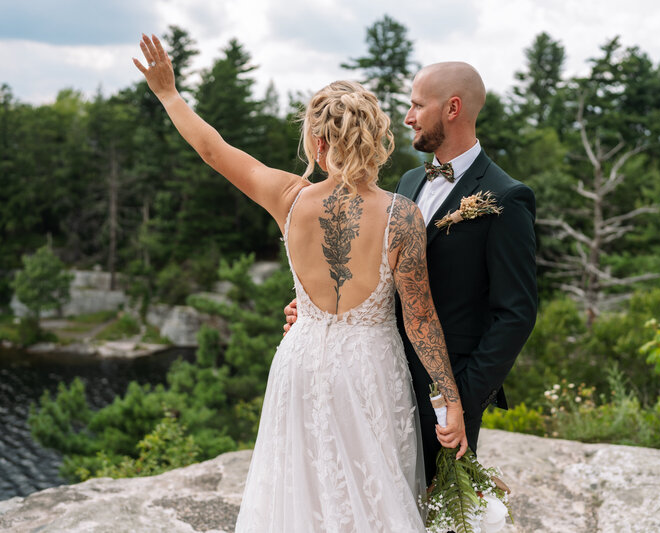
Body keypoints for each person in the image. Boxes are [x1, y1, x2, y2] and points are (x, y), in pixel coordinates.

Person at [133, 34, 467, 532]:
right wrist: (452, 402)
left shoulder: (289, 198)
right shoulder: (402, 216)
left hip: (301, 363)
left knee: (300, 493)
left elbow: (212, 149)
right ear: (376, 137)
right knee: (375, 496)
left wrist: (169, 94)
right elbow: (421, 320)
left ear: (318, 141)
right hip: (370, 369)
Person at [285, 61, 538, 486]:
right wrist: (321, 309)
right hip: (378, 376)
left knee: (434, 512)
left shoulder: (507, 197)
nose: (407, 117)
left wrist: (460, 399)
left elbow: (516, 313)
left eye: (417, 105)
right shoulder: (406, 183)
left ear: (452, 108)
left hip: (443, 398)